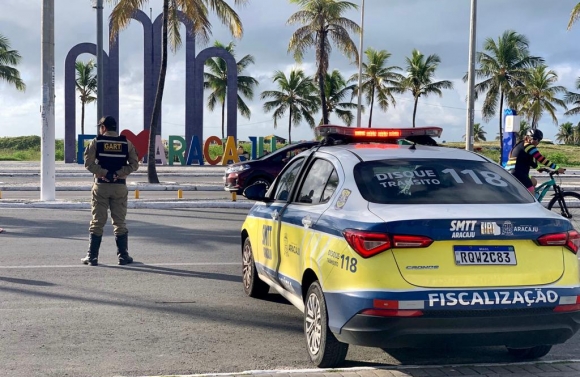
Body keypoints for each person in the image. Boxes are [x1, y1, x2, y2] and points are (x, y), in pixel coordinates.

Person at [82, 115, 139, 266]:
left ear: (103, 128)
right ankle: (123, 256)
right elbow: (134, 164)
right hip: (119, 186)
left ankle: (92, 257)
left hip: (101, 185)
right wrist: (117, 174)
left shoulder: (97, 142)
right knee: (119, 222)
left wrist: (104, 173)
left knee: (97, 222)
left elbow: (88, 163)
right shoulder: (126, 143)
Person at [506, 128, 565, 194]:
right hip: (518, 173)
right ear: (527, 137)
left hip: (511, 171)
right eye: (534, 139)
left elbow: (528, 160)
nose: (537, 142)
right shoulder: (529, 146)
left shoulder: (521, 144)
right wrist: (557, 168)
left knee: (534, 182)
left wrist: (538, 168)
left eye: (539, 140)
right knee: (531, 194)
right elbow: (542, 159)